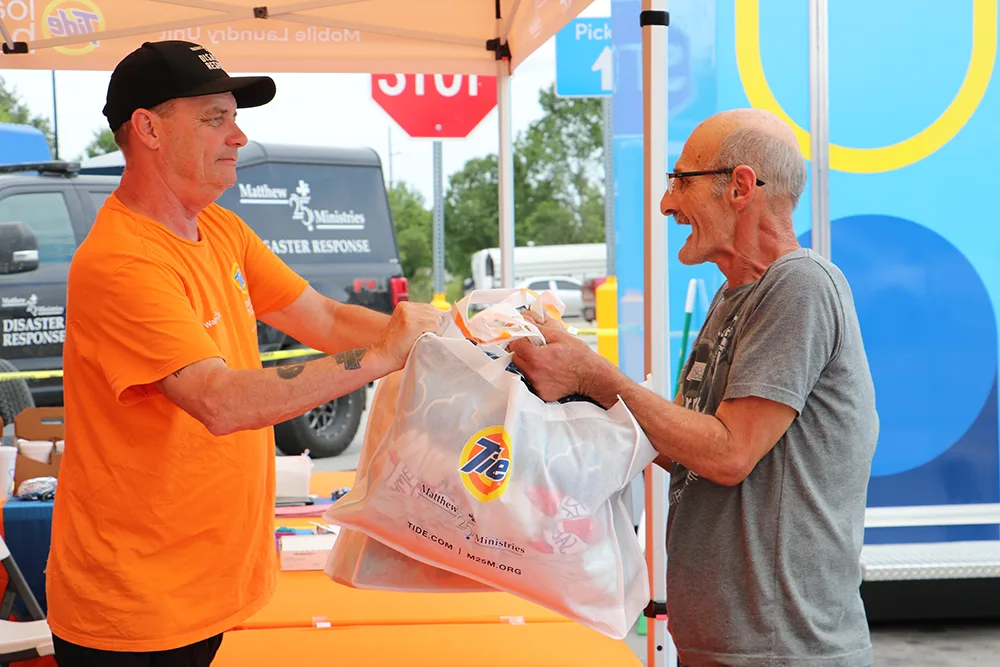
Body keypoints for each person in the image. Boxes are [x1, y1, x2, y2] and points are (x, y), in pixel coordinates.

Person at [45, 40, 444, 666]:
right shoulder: (121, 259)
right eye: (215, 118)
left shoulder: (221, 230)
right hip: (135, 604)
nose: (238, 136)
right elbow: (219, 400)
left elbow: (325, 317)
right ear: (147, 128)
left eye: (234, 117)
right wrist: (382, 356)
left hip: (204, 585)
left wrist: (442, 341)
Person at [510, 108, 878, 667]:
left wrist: (596, 375)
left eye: (681, 180)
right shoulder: (735, 296)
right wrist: (572, 383)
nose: (667, 203)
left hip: (783, 651)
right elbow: (684, 447)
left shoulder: (800, 284)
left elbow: (729, 454)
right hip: (727, 644)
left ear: (740, 186)